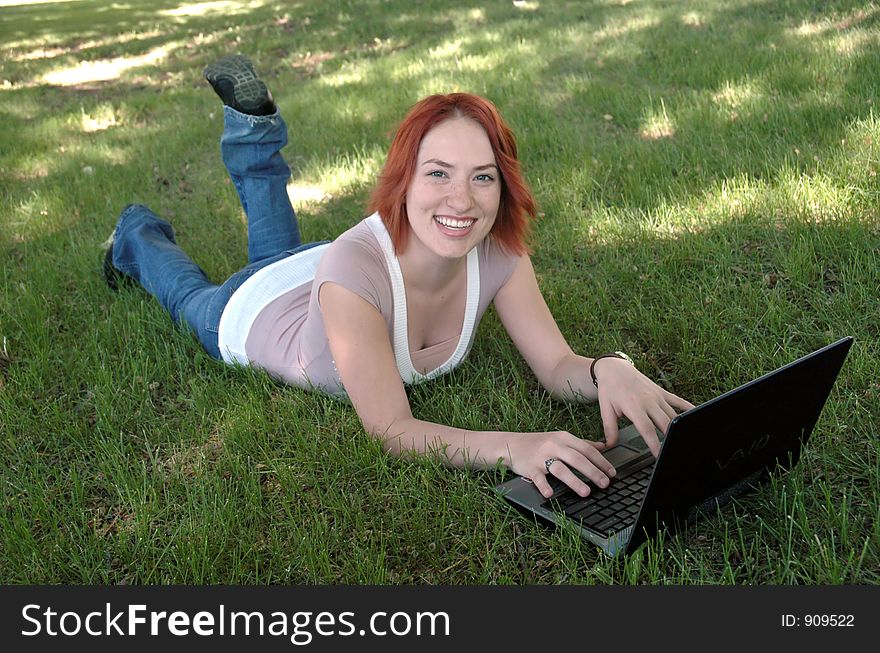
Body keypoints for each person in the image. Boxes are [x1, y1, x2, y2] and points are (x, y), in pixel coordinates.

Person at [104, 54, 694, 500]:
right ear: (404, 178)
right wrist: (515, 447)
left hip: (318, 269)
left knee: (275, 251)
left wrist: (607, 370)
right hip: (254, 312)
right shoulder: (352, 267)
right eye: (439, 172)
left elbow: (557, 366)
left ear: (503, 185)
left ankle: (253, 131)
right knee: (186, 296)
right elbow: (392, 429)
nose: (462, 200)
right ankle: (136, 233)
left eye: (482, 177)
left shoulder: (499, 251)